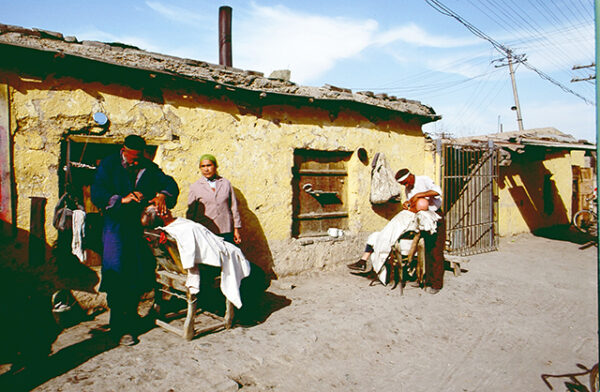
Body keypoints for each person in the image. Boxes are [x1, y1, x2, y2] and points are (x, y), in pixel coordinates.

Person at [91, 135, 179, 345]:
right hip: (116, 226)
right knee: (116, 271)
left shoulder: (148, 167)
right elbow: (97, 192)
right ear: (124, 150)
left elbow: (169, 183)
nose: (136, 161)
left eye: (140, 157)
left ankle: (130, 319)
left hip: (138, 228)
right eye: (133, 157)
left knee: (136, 273)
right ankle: (119, 327)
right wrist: (122, 199)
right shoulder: (109, 164)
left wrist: (162, 195)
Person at [348, 168, 445, 294]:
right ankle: (425, 279)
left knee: (435, 251)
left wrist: (419, 195)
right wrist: (408, 204)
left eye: (405, 182)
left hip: (434, 217)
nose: (405, 186)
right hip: (418, 218)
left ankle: (436, 284)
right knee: (425, 250)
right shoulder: (408, 189)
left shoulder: (423, 180)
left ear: (410, 176)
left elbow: (437, 192)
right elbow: (412, 203)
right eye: (403, 184)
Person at [141, 205, 251, 309]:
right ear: (162, 214)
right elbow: (209, 250)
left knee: (241, 263)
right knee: (252, 272)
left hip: (176, 267)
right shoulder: (185, 229)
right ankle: (245, 314)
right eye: (160, 208)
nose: (164, 206)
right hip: (210, 264)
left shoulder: (168, 229)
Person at [187, 154, 242, 245]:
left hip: (226, 229)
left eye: (209, 165)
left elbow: (233, 207)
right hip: (206, 231)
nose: (206, 169)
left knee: (229, 256)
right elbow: (191, 213)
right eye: (203, 166)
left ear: (215, 166)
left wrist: (236, 229)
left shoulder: (225, 183)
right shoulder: (195, 187)